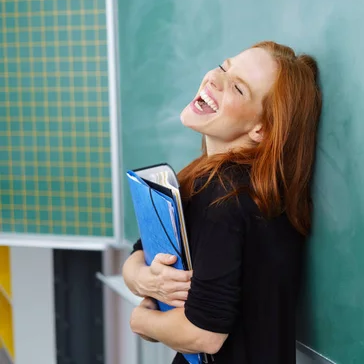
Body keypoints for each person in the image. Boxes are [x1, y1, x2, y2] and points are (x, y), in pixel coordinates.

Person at [122, 41, 322, 364]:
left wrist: (142, 320)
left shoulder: (226, 198)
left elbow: (205, 334)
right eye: (224, 67)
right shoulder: (227, 184)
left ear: (261, 129)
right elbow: (140, 252)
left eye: (238, 89)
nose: (215, 79)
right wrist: (145, 279)